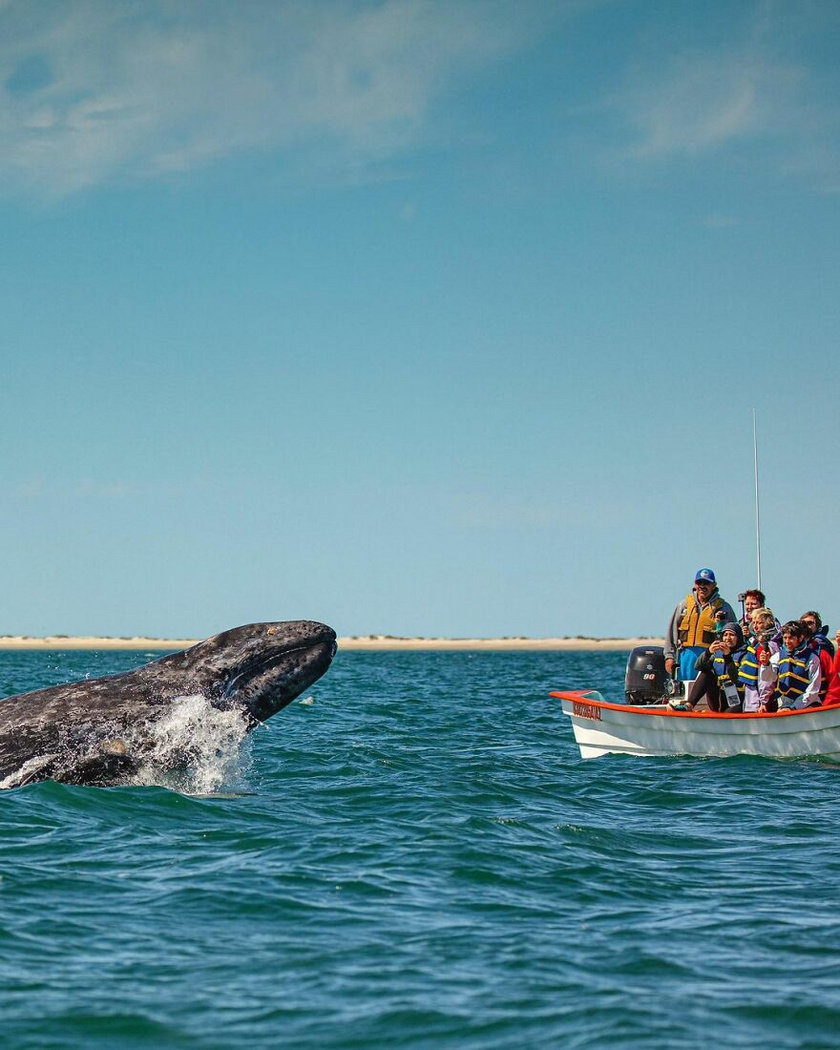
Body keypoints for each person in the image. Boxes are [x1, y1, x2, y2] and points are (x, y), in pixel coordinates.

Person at [664, 568, 737, 681]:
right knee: (687, 691)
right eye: (699, 583)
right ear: (695, 584)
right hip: (685, 658)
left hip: (711, 658)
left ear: (714, 585)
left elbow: (735, 634)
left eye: (706, 583)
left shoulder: (724, 608)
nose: (702, 586)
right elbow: (671, 633)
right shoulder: (684, 605)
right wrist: (669, 657)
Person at [669, 622, 747, 712]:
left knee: (730, 712)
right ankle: (688, 705)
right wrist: (708, 652)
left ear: (738, 637)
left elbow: (738, 681)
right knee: (706, 673)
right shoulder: (718, 653)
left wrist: (728, 657)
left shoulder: (745, 654)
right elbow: (698, 666)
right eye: (725, 635)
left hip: (736, 700)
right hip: (718, 696)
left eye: (732, 635)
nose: (728, 638)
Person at [770, 620, 822, 711]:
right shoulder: (777, 657)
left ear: (801, 638)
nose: (787, 641)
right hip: (784, 706)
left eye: (791, 638)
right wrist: (765, 666)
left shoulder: (812, 658)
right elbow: (767, 679)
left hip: (807, 705)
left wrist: (794, 707)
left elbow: (813, 688)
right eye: (785, 638)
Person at [799, 612, 834, 703]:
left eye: (810, 623)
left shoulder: (822, 651)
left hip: (821, 704)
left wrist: (827, 705)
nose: (806, 626)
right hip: (797, 705)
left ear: (817, 628)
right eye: (803, 623)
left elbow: (834, 682)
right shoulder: (790, 653)